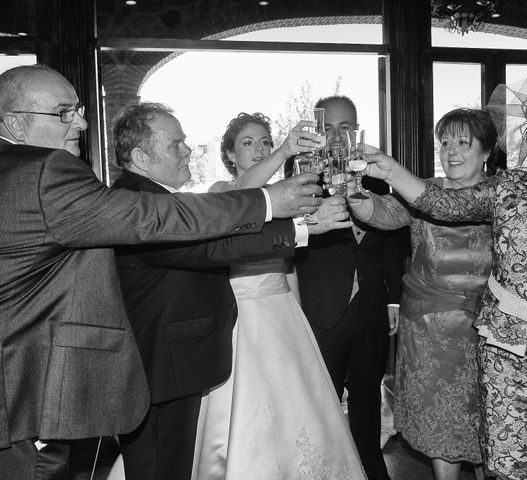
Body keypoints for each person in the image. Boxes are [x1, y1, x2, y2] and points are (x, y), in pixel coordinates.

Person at [0, 65, 323, 480]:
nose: (81, 122)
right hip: (28, 380)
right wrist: (270, 204)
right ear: (15, 122)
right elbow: (154, 219)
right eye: (64, 112)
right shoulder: (44, 171)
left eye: (79, 109)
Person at [350, 54, 527, 480]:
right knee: (509, 465)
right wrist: (388, 168)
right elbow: (439, 203)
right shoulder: (508, 189)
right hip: (506, 359)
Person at [107, 104, 350, 480]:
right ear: (140, 157)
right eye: (177, 144)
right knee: (161, 465)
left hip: (186, 357)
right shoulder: (140, 203)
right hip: (162, 365)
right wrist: (303, 230)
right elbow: (212, 245)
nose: (189, 150)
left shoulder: (155, 196)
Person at [190, 112, 365, 480]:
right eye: (248, 144)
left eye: (265, 143)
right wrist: (284, 150)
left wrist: (300, 319)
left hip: (283, 313)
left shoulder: (286, 200)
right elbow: (244, 196)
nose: (259, 149)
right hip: (243, 322)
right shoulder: (219, 192)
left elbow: (288, 267)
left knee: (300, 411)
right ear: (230, 155)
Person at [355, 108, 501, 480]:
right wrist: (352, 193)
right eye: (445, 142)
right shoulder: (425, 190)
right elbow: (383, 214)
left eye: (463, 143)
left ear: (486, 152)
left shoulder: (504, 197)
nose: (451, 151)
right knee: (441, 428)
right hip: (429, 335)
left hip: (489, 335)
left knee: (491, 426)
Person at [292, 96, 407, 480]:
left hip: (372, 307)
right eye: (329, 127)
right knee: (321, 402)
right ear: (318, 132)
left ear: (356, 130)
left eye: (346, 126)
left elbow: (393, 242)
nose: (338, 135)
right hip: (322, 305)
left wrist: (393, 299)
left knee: (367, 400)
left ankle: (372, 471)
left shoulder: (376, 176)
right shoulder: (301, 177)